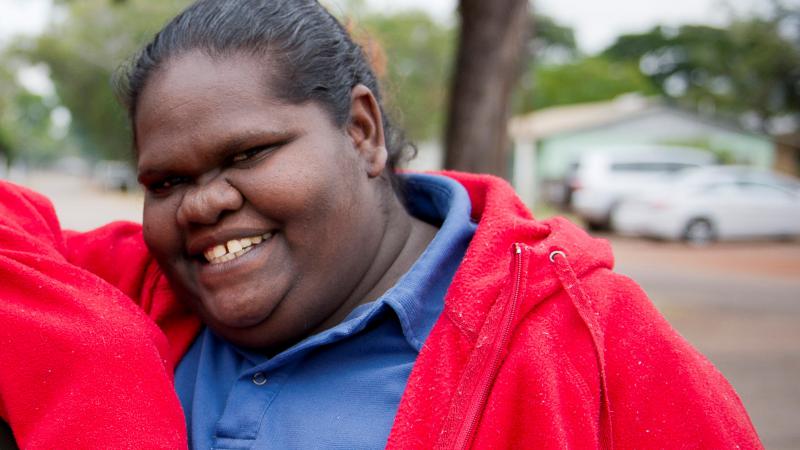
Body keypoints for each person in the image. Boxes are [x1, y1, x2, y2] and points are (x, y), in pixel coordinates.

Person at [0, 0, 762, 448]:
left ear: (360, 131)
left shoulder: (583, 340)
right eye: (165, 181)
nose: (201, 204)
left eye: (248, 152)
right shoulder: (134, 287)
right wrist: (101, 365)